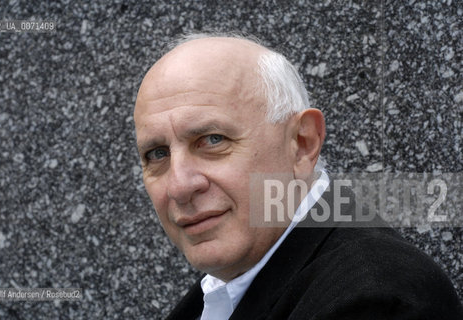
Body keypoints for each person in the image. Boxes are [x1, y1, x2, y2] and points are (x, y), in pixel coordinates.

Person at [134, 33, 463, 319]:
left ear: (302, 144)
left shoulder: (377, 298)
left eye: (213, 140)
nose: (179, 186)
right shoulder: (233, 284)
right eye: (157, 154)